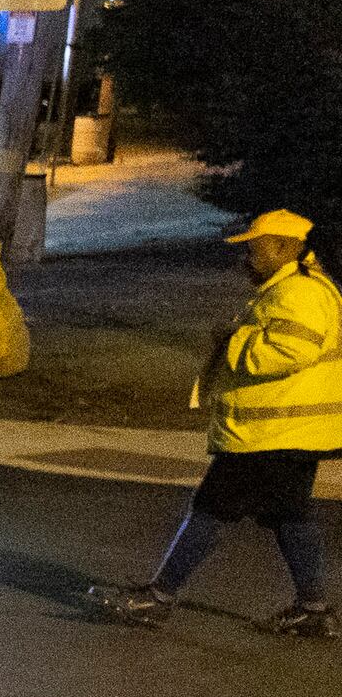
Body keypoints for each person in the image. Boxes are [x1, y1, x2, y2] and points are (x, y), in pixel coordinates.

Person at [92, 205, 342, 635]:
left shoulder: (299, 293)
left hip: (270, 433)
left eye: (255, 249)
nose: (246, 258)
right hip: (290, 431)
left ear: (285, 248)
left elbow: (288, 352)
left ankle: (157, 598)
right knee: (289, 515)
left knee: (210, 509)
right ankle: (315, 611)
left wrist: (233, 339)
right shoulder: (295, 288)